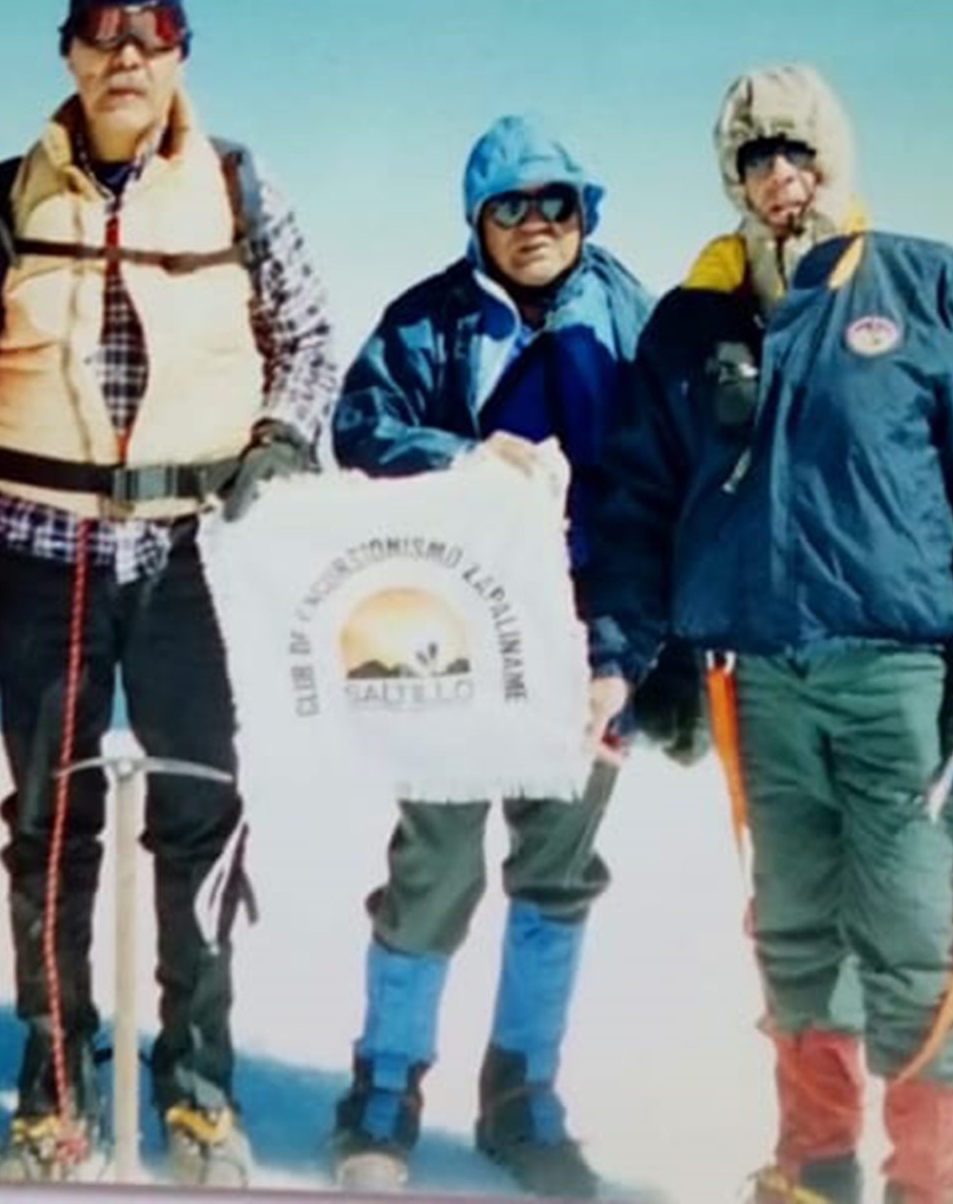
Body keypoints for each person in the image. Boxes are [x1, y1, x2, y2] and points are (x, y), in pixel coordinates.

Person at [579, 63, 953, 1204]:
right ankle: (814, 1168)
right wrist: (629, 653)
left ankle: (929, 1185)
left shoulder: (928, 289)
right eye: (754, 159)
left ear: (834, 161)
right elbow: (640, 499)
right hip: (753, 679)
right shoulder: (693, 322)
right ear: (730, 177)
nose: (778, 179)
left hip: (895, 674)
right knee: (794, 931)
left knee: (907, 940)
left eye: (797, 154)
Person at [0, 0, 339, 1187]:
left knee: (200, 811)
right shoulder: (4, 201)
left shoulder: (238, 188)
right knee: (52, 823)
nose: (126, 58)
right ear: (69, 55)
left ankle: (198, 1090)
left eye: (150, 38)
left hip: (199, 556)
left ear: (180, 54)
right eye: (102, 37)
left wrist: (281, 439)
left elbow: (307, 335)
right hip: (45, 551)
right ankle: (53, 1092)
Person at [323, 115, 654, 1196]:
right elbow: (360, 426)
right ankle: (382, 1094)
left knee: (556, 870)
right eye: (508, 205)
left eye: (554, 202)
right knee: (436, 861)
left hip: (589, 636)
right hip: (456, 640)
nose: (533, 224)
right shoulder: (428, 323)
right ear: (477, 219)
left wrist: (635, 651)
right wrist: (468, 460)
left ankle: (523, 1099)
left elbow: (664, 479)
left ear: (584, 211)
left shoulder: (628, 318)